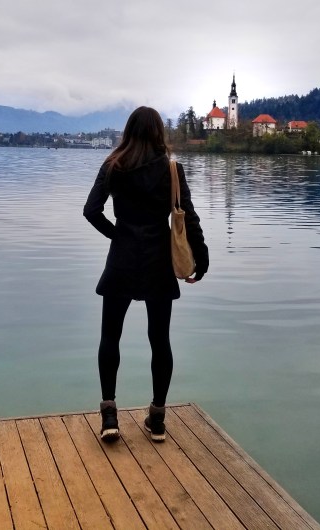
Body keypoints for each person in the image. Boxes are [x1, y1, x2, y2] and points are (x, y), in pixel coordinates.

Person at [83, 106, 208, 443]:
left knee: (110, 336)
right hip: (157, 261)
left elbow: (90, 212)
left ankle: (110, 416)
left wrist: (117, 235)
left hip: (122, 259)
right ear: (158, 133)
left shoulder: (113, 166)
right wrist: (202, 258)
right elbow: (188, 217)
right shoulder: (171, 170)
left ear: (129, 132)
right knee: (160, 340)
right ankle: (157, 419)